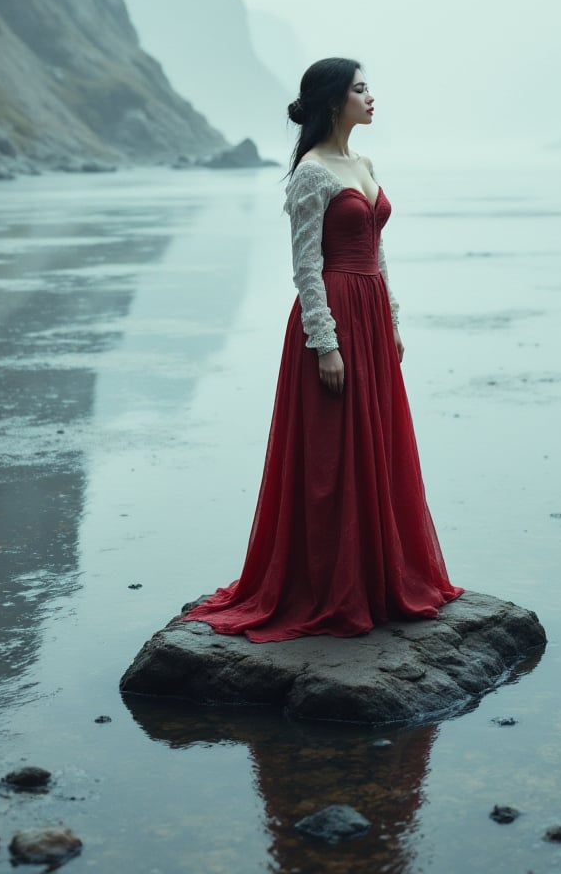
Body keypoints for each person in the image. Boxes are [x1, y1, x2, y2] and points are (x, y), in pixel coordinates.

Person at [184, 58, 462, 641]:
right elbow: (306, 264)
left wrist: (392, 321)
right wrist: (324, 343)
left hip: (369, 314)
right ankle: (331, 585)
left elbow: (376, 249)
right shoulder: (311, 173)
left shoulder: (362, 162)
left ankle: (380, 576)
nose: (371, 97)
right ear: (335, 101)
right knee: (331, 458)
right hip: (333, 318)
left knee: (376, 447)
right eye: (361, 88)